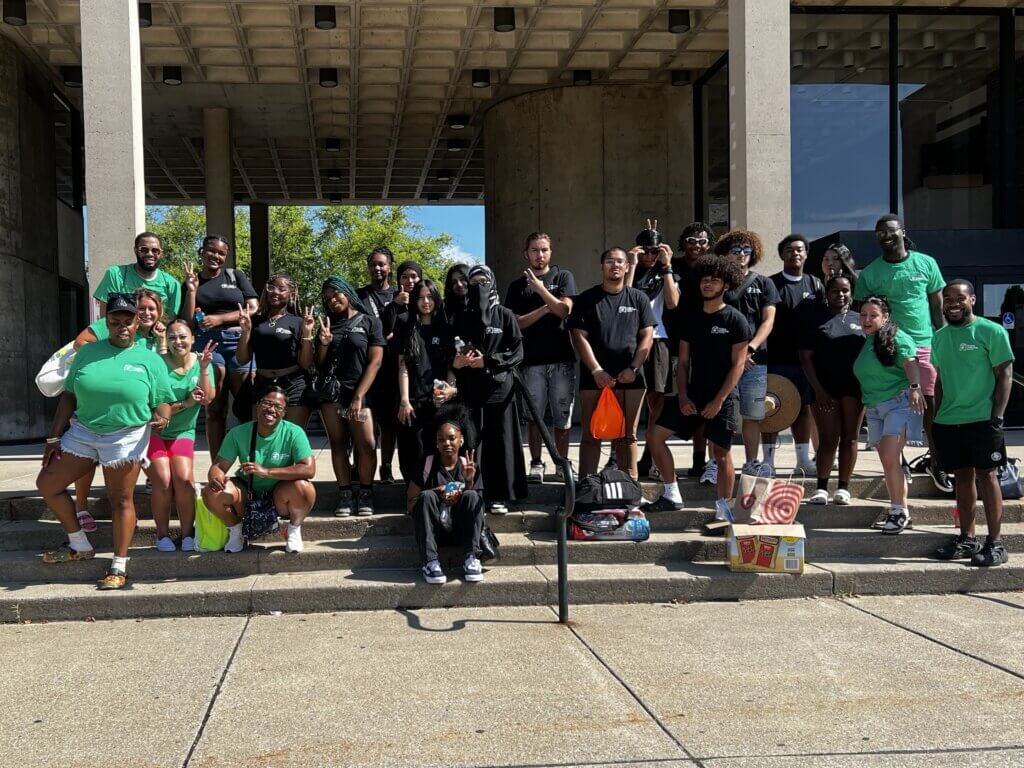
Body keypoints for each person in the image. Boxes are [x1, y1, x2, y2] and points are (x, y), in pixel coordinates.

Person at [36, 293, 174, 590]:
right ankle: (79, 544)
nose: (121, 326)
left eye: (128, 321)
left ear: (138, 322)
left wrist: (162, 417)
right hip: (84, 431)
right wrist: (53, 436)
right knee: (47, 484)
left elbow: (163, 402)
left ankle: (119, 565)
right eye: (115, 321)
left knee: (120, 499)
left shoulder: (150, 359)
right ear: (106, 322)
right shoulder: (87, 353)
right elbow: (69, 395)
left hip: (126, 436)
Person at [645, 257, 750, 519]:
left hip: (722, 398)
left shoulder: (735, 320)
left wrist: (719, 400)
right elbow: (682, 364)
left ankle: (724, 511)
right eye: (705, 279)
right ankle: (671, 494)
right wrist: (682, 396)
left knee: (722, 453)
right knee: (655, 437)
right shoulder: (691, 319)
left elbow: (738, 365)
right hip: (692, 394)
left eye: (714, 279)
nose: (708, 283)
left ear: (726, 284)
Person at [855, 215, 947, 491]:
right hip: (887, 345)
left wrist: (943, 342)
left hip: (923, 343)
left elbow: (937, 307)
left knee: (929, 403)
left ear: (902, 232)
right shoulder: (870, 273)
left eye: (891, 230)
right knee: (895, 400)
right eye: (880, 232)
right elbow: (864, 313)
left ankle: (937, 462)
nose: (885, 235)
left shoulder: (926, 263)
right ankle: (900, 462)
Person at [932, 280, 1014, 567]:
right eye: (948, 298)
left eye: (960, 298)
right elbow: (940, 381)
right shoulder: (939, 337)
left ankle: (996, 542)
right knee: (963, 478)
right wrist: (936, 416)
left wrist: (997, 417)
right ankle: (967, 539)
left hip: (982, 419)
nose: (953, 303)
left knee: (987, 476)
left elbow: (1005, 375)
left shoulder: (991, 331)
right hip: (949, 421)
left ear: (973, 300)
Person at [71, 287, 168, 526]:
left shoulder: (157, 336)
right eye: (142, 307)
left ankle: (125, 513)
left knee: (136, 473)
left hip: (138, 417)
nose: (146, 313)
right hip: (98, 406)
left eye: (150, 309)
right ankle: (81, 505)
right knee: (87, 453)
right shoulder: (111, 326)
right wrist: (105, 364)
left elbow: (164, 374)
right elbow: (80, 342)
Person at [568, 247, 656, 481]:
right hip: (594, 378)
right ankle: (586, 485)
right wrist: (596, 370)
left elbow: (647, 336)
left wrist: (634, 368)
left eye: (620, 261)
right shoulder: (587, 299)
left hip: (631, 378)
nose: (615, 265)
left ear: (627, 267)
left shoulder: (638, 298)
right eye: (609, 261)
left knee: (627, 436)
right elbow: (579, 336)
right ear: (602, 267)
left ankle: (630, 485)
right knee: (591, 434)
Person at [450, 264, 528, 512]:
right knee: (473, 442)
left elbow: (517, 352)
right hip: (471, 391)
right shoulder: (462, 317)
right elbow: (452, 352)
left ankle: (500, 495)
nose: (478, 287)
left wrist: (490, 361)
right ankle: (475, 492)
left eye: (483, 281)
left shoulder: (505, 315)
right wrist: (459, 360)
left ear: (493, 282)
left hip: (500, 391)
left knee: (501, 442)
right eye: (474, 283)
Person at [202, 387, 316, 554]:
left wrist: (267, 472)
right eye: (267, 403)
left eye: (278, 407)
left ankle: (293, 530)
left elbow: (309, 469)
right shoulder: (238, 433)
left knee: (305, 488)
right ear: (258, 406)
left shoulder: (294, 432)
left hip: (280, 494)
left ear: (284, 413)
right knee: (211, 492)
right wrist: (216, 478)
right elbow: (218, 466)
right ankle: (236, 531)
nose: (271, 409)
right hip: (247, 493)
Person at [503, 232, 577, 483]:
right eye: (534, 250)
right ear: (527, 253)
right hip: (530, 361)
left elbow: (564, 310)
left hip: (561, 359)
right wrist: (547, 307)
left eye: (544, 249)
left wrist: (542, 291)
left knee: (562, 416)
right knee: (533, 416)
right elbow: (516, 324)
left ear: (550, 252)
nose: (540, 254)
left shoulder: (563, 277)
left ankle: (561, 462)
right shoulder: (516, 286)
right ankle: (536, 462)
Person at [179, 235, 260, 458]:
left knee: (245, 408)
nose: (216, 256)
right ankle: (218, 468)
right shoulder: (191, 281)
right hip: (207, 343)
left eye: (221, 253)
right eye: (211, 251)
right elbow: (186, 320)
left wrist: (220, 319)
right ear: (202, 252)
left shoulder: (235, 276)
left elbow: (253, 308)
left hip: (238, 341)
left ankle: (249, 466)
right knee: (215, 408)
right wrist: (192, 290)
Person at [853, 296, 925, 534]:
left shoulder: (896, 336)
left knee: (889, 457)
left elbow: (911, 362)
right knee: (888, 460)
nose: (866, 320)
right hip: (875, 408)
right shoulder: (869, 340)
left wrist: (915, 388)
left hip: (898, 404)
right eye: (863, 315)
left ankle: (898, 511)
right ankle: (900, 509)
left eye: (873, 315)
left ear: (885, 317)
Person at [317, 275, 385, 517]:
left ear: (346, 292)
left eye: (336, 294)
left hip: (360, 393)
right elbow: (319, 363)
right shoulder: (326, 324)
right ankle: (345, 494)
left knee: (366, 444)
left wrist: (358, 397)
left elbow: (375, 362)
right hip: (333, 395)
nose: (333, 300)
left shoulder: (369, 322)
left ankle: (366, 491)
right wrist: (323, 343)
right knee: (338, 443)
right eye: (327, 298)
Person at [149, 321, 217, 552]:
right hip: (155, 430)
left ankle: (188, 533)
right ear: (166, 340)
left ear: (192, 338)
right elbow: (157, 408)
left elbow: (207, 398)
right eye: (173, 337)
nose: (178, 341)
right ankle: (162, 534)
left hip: (183, 431)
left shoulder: (201, 363)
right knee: (162, 478)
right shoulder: (157, 364)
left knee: (183, 477)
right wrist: (186, 403)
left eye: (183, 336)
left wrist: (206, 368)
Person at [799, 275, 865, 505]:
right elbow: (805, 358)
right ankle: (821, 487)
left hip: (855, 388)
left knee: (851, 437)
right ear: (826, 294)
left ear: (852, 293)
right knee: (828, 440)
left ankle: (843, 488)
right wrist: (818, 389)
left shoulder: (861, 320)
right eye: (835, 291)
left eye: (845, 290)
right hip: (824, 388)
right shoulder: (815, 319)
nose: (841, 295)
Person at [718, 230, 779, 480]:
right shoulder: (717, 281)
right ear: (725, 254)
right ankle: (717, 461)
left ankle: (752, 462)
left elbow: (768, 320)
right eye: (736, 250)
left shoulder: (764, 282)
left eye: (747, 251)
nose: (742, 255)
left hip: (756, 361)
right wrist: (737, 353)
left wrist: (750, 348)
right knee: (722, 414)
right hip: (723, 359)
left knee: (753, 415)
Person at [763, 234, 824, 476]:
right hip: (776, 359)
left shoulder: (815, 284)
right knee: (771, 409)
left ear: (806, 254)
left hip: (806, 361)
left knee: (802, 410)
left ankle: (802, 459)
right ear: (782, 255)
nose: (795, 253)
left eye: (800, 249)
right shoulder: (770, 284)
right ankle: (767, 461)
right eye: (789, 250)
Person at [406, 405, 485, 585]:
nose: (447, 443)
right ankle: (430, 562)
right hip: (434, 532)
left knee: (472, 496)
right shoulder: (426, 465)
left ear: (461, 440)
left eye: (451, 438)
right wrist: (437, 492)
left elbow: (479, 510)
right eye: (441, 440)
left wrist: (468, 483)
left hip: (461, 530)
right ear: (436, 443)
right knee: (426, 496)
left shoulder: (469, 465)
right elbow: (410, 504)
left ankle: (471, 558)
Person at [625, 226, 680, 481]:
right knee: (630, 401)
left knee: (657, 401)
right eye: (645, 250)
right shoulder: (630, 270)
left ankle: (651, 456)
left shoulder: (665, 271)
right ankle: (624, 456)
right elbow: (623, 297)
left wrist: (667, 266)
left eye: (654, 250)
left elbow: (673, 303)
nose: (649, 255)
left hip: (659, 340)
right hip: (630, 340)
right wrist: (632, 264)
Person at [236, 273, 315, 426]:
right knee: (262, 439)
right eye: (271, 287)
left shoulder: (299, 322)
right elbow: (242, 359)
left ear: (291, 294)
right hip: (262, 385)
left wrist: (307, 333)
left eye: (281, 289)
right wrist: (245, 331)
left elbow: (305, 364)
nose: (275, 292)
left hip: (293, 385)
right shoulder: (255, 321)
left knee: (292, 438)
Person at [397, 278, 456, 482]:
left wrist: (450, 389)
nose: (426, 302)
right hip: (413, 402)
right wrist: (404, 400)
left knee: (435, 449)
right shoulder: (407, 326)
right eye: (421, 298)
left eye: (430, 297)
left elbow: (451, 367)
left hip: (438, 402)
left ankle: (433, 493)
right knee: (411, 449)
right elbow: (403, 366)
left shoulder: (445, 329)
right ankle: (412, 495)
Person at [672, 222, 716, 477]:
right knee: (673, 400)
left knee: (704, 402)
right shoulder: (673, 266)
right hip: (675, 340)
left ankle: (702, 460)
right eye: (691, 240)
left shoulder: (713, 268)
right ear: (683, 242)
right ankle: (650, 457)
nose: (697, 245)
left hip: (707, 340)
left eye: (702, 241)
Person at [92, 231, 180, 323]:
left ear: (161, 253)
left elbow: (170, 322)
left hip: (156, 336)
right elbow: (105, 318)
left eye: (155, 250)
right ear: (135, 250)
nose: (150, 254)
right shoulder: (115, 275)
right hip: (124, 335)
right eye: (144, 250)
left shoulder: (172, 284)